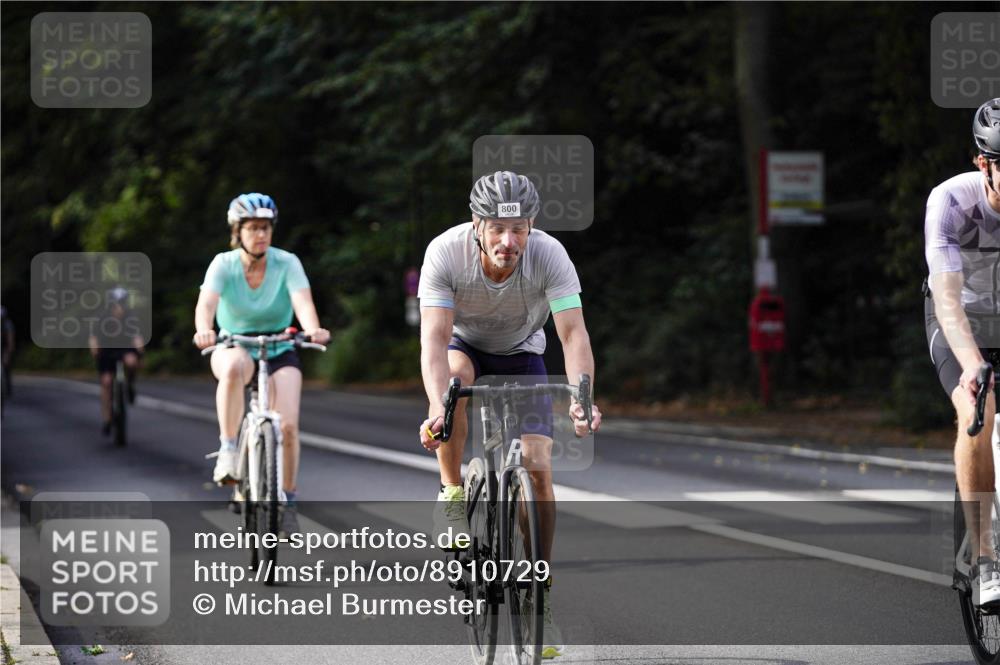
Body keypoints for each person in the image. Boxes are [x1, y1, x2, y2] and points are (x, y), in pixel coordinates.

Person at [417, 170, 602, 658]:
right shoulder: (445, 252)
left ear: (531, 225)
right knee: (455, 387)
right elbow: (434, 340)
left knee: (539, 469)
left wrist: (582, 397)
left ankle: (538, 596)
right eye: (497, 228)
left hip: (524, 353)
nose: (508, 240)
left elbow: (573, 335)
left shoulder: (549, 255)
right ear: (476, 224)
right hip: (465, 348)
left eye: (518, 228)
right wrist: (438, 408)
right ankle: (453, 492)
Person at [193, 192, 330, 536]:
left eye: (266, 228)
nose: (261, 235)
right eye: (253, 228)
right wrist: (204, 331)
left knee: (287, 426)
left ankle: (289, 500)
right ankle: (227, 450)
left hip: (280, 344)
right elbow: (206, 305)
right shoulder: (222, 264)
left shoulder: (287, 262)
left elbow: (303, 302)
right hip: (234, 343)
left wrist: (313, 329)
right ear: (237, 231)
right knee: (235, 366)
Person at [925, 98, 1000, 606]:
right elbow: (948, 300)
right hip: (959, 320)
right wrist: (974, 366)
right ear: (983, 163)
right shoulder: (951, 201)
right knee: (979, 405)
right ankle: (986, 556)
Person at [88, 287, 144, 434]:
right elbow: (94, 337)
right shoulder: (102, 318)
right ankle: (107, 419)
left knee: (131, 362)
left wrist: (139, 350)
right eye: (117, 304)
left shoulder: (131, 318)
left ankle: (130, 384)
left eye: (123, 303)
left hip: (124, 348)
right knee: (106, 382)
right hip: (107, 351)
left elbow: (136, 336)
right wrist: (95, 349)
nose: (120, 307)